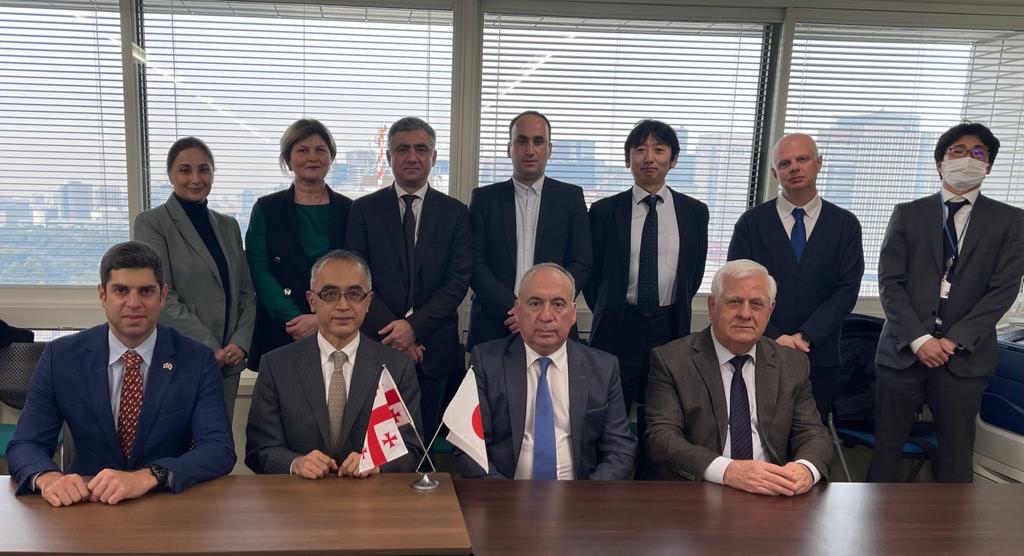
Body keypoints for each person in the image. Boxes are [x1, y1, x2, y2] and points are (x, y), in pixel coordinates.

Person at [6, 241, 235, 506]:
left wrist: (150, 476)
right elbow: (26, 443)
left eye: (146, 291)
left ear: (163, 295)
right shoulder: (61, 357)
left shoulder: (196, 359)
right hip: (86, 503)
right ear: (102, 294)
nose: (134, 303)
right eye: (121, 290)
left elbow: (218, 448)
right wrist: (49, 478)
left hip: (166, 502)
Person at [869, 122, 1024, 483]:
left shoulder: (1011, 221)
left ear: (989, 165)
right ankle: (875, 518)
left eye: (978, 152)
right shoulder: (908, 214)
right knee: (887, 449)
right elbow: (890, 283)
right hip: (903, 352)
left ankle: (952, 522)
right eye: (957, 151)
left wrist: (953, 340)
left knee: (956, 456)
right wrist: (920, 339)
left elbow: (1003, 290)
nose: (967, 158)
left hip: (964, 358)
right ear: (940, 163)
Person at [645, 259, 832, 495]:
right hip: (701, 492)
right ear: (712, 305)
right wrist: (727, 471)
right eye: (734, 302)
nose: (745, 314)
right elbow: (661, 437)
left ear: (770, 310)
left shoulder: (791, 363)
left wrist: (804, 469)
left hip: (773, 491)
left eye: (756, 304)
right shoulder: (672, 360)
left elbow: (813, 433)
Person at [345, 116, 471, 439]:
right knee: (374, 443)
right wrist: (396, 331)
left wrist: (414, 327)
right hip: (377, 344)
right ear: (389, 157)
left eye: (421, 149)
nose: (412, 157)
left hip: (434, 348)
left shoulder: (455, 212)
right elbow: (358, 280)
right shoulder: (363, 210)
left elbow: (458, 281)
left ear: (434, 157)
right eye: (402, 149)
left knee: (423, 443)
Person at [245, 250, 422, 478]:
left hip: (369, 495)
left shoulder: (397, 367)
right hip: (300, 494)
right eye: (330, 294)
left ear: (368, 302)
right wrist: (295, 463)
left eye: (355, 294)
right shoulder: (276, 365)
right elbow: (259, 449)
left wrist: (377, 463)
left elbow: (412, 449)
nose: (343, 306)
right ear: (311, 300)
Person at [727, 133, 863, 421]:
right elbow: (735, 287)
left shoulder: (845, 224)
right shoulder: (751, 223)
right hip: (760, 349)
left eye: (802, 159)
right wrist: (776, 337)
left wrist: (805, 336)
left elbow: (846, 291)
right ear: (774, 173)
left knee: (810, 434)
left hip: (820, 355)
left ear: (819, 163)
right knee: (756, 431)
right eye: (785, 163)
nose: (794, 168)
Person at [456, 263, 635, 480]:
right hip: (505, 492)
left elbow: (619, 449)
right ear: (518, 311)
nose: (546, 316)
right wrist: (505, 494)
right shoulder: (486, 362)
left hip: (581, 493)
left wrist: (587, 495)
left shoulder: (603, 368)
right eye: (535, 303)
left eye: (558, 305)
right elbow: (468, 448)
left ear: (573, 313)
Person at [585, 119, 709, 416]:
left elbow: (693, 274)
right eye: (640, 149)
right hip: (618, 326)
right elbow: (592, 275)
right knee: (607, 414)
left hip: (670, 326)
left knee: (663, 416)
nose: (649, 157)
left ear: (673, 159)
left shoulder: (694, 212)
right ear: (628, 159)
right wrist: (608, 307)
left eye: (659, 149)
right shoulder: (604, 211)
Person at [135, 137, 257, 421]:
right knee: (177, 440)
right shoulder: (151, 223)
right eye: (185, 170)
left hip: (229, 361)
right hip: (182, 357)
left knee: (219, 440)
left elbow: (246, 293)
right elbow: (160, 296)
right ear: (170, 175)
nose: (195, 178)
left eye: (204, 169)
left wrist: (239, 343)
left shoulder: (228, 225)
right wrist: (209, 347)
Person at [468, 110, 592, 349]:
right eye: (522, 141)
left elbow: (581, 262)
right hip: (494, 324)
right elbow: (474, 263)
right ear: (509, 149)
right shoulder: (484, 199)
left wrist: (546, 307)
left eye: (538, 141)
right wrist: (517, 310)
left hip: (553, 323)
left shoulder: (571, 198)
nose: (530, 150)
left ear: (549, 149)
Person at [246, 119, 353, 372]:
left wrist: (321, 320)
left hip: (338, 329)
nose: (312, 158)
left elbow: (356, 272)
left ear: (330, 157)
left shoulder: (350, 210)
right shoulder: (266, 208)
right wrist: (295, 319)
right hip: (282, 330)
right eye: (302, 150)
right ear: (288, 159)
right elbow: (258, 269)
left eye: (320, 150)